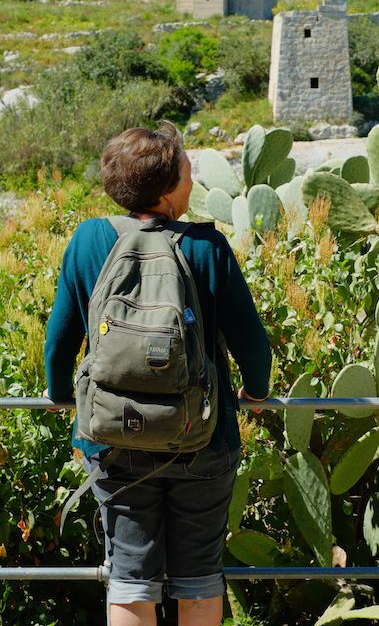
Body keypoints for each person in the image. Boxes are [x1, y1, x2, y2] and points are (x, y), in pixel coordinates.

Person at [44, 122, 272, 626]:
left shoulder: (88, 241)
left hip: (113, 439)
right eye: (189, 172)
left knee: (129, 576)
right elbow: (254, 347)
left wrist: (62, 395)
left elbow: (59, 342)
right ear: (168, 189)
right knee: (197, 578)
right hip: (202, 440)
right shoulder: (208, 249)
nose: (194, 181)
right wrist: (256, 390)